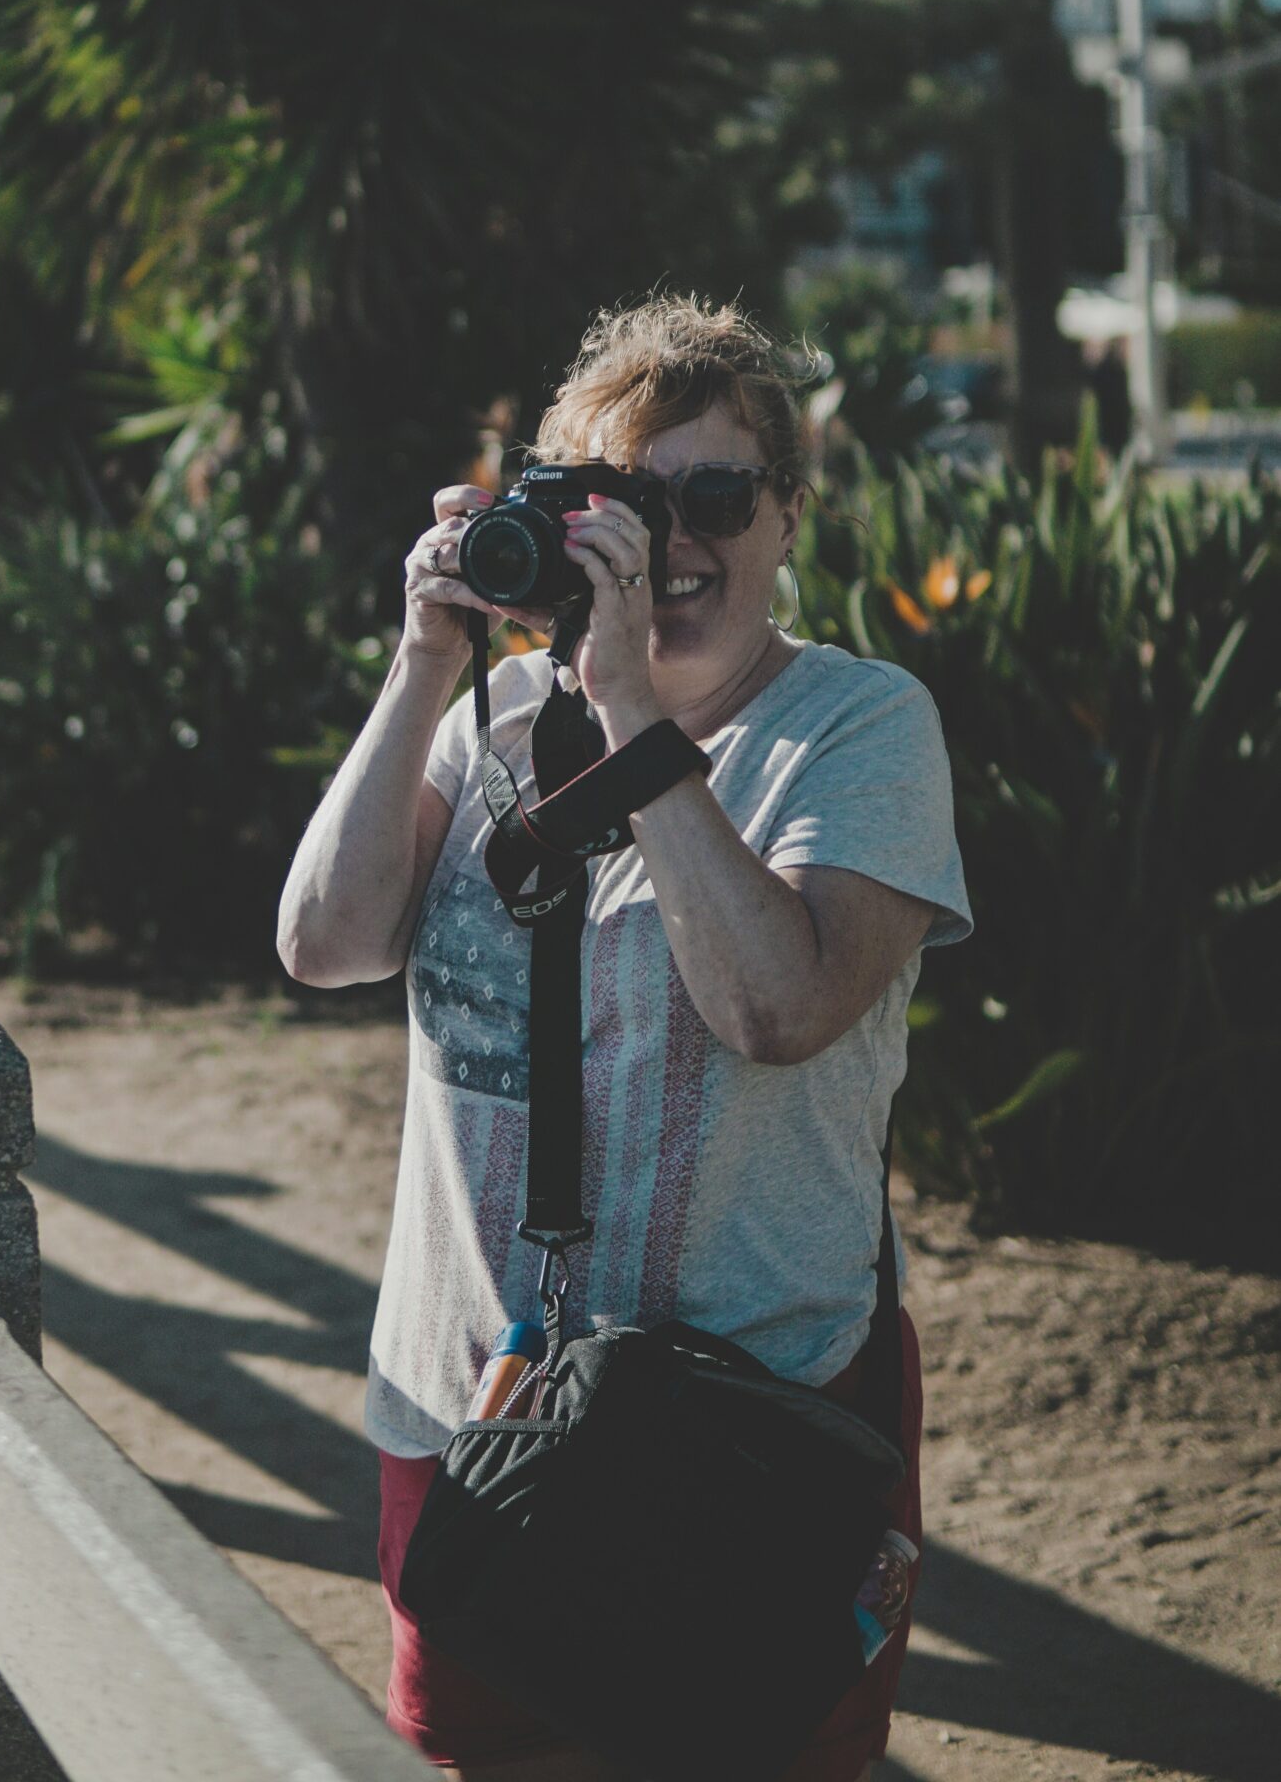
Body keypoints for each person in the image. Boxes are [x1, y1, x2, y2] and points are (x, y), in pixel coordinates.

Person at [278, 296, 972, 1782]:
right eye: (621, 507)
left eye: (714, 495)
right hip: (478, 1404)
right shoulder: (488, 720)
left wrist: (631, 709)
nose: (670, 543)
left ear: (789, 514)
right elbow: (323, 944)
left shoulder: (858, 729)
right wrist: (424, 660)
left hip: (754, 1426)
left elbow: (777, 1009)